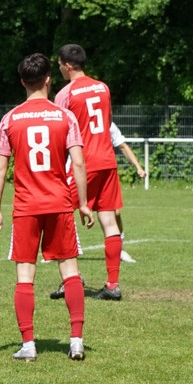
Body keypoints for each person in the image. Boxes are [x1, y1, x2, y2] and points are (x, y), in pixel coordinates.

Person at [0, 53, 94, 362]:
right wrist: (83, 204)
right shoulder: (65, 117)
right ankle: (76, 341)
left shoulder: (10, 119)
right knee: (70, 271)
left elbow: (0, 169)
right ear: (48, 80)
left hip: (26, 207)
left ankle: (28, 345)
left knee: (25, 275)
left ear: (23, 82)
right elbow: (78, 163)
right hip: (59, 203)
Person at [49, 44, 125, 301]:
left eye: (60, 65)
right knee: (109, 221)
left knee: (59, 215)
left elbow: (60, 132)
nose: (59, 69)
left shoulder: (65, 94)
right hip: (107, 160)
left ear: (68, 66)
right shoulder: (103, 87)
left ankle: (71, 278)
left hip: (84, 163)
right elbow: (108, 121)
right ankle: (112, 284)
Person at [110, 121, 146, 263]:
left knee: (115, 213)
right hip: (81, 172)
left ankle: (120, 249)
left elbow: (123, 146)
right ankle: (56, 250)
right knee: (67, 209)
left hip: (104, 174)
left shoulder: (109, 124)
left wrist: (138, 167)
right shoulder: (80, 121)